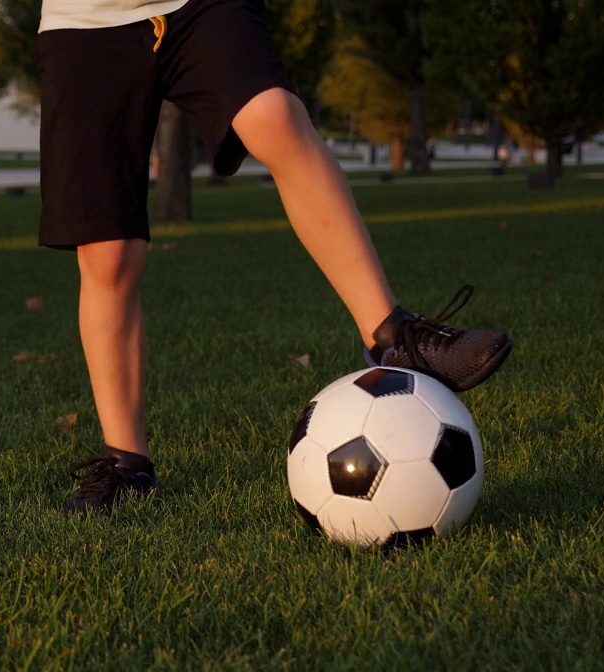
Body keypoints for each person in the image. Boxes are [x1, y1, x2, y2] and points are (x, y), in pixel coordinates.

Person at [36, 0, 513, 514]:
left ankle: (393, 335)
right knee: (109, 255)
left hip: (201, 7)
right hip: (83, 24)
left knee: (276, 118)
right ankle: (127, 463)